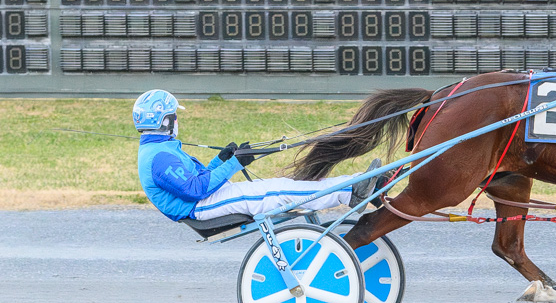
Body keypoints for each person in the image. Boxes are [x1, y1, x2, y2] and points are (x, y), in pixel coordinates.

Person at [133, 89, 381, 221]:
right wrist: (233, 164)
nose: (177, 120)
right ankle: (350, 190)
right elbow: (195, 189)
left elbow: (199, 179)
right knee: (278, 192)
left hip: (205, 200)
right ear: (166, 120)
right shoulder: (159, 157)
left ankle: (353, 184)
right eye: (175, 115)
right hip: (200, 207)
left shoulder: (159, 150)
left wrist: (223, 159)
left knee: (281, 187)